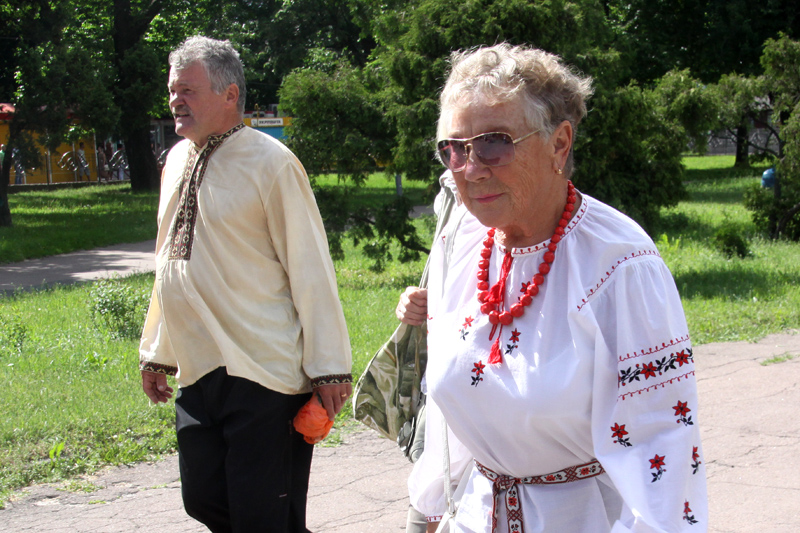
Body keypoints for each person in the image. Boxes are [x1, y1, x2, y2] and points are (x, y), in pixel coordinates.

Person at [408, 43, 707, 532]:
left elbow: (662, 449)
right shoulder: (461, 240)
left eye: (494, 143)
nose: (471, 168)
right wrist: (426, 510)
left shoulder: (619, 264)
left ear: (559, 143)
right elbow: (452, 406)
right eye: (454, 149)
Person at [138, 35, 352, 533]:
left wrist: (329, 368)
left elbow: (310, 267)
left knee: (263, 515)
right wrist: (157, 350)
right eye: (172, 90)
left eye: (188, 90)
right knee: (204, 499)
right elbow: (169, 263)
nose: (175, 101)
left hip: (265, 371)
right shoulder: (175, 161)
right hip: (198, 366)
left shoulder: (271, 162)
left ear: (229, 94)